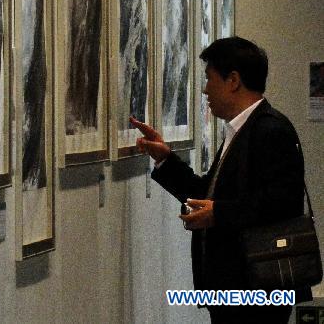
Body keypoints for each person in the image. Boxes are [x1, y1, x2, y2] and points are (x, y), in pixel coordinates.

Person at [131, 36, 311, 324]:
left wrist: (218, 214)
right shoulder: (243, 130)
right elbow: (210, 194)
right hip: (239, 288)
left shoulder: (270, 130)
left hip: (256, 291)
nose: (205, 90)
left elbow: (281, 203)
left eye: (209, 78)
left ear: (233, 80)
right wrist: (166, 159)